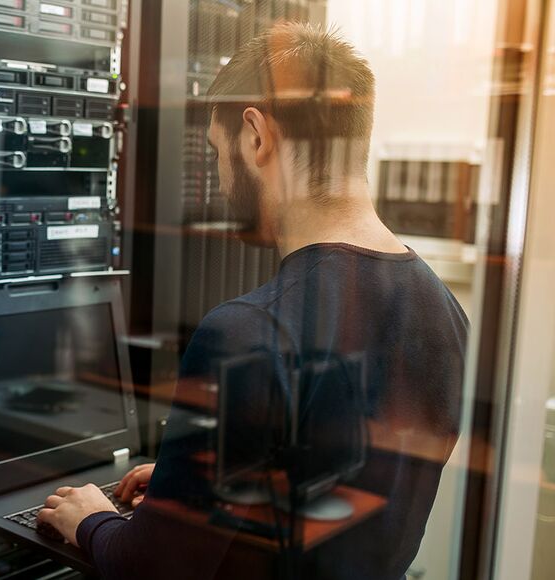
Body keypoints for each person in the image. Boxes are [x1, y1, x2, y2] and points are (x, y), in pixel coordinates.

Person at [36, 21, 468, 580]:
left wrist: (91, 519)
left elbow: (151, 569)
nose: (218, 178)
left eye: (216, 152)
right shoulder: (443, 308)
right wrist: (187, 492)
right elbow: (337, 494)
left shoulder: (247, 331)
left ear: (257, 136)